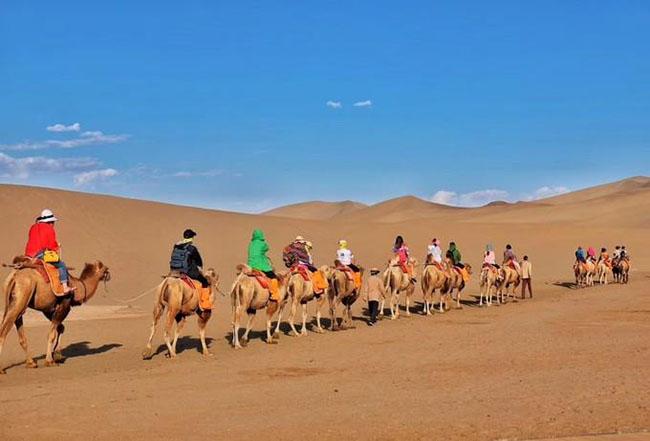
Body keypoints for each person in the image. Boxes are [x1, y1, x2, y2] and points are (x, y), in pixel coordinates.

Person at [25, 209, 74, 294]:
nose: (53, 224)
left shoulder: (33, 227)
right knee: (62, 265)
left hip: (28, 255)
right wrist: (57, 246)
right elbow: (50, 245)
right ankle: (65, 287)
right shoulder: (49, 228)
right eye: (53, 222)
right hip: (40, 254)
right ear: (50, 222)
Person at [247, 229, 280, 301]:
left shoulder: (251, 244)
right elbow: (267, 248)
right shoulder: (263, 243)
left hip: (250, 265)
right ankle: (274, 294)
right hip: (261, 265)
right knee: (273, 277)